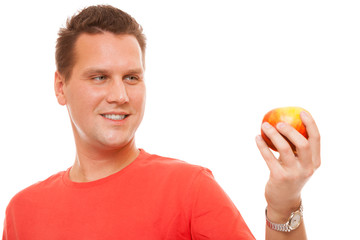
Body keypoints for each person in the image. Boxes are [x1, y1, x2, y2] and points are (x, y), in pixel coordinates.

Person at [2, 5, 321, 240]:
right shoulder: (23, 211)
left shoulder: (190, 190)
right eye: (99, 77)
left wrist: (283, 207)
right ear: (61, 87)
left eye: (131, 77)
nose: (120, 95)